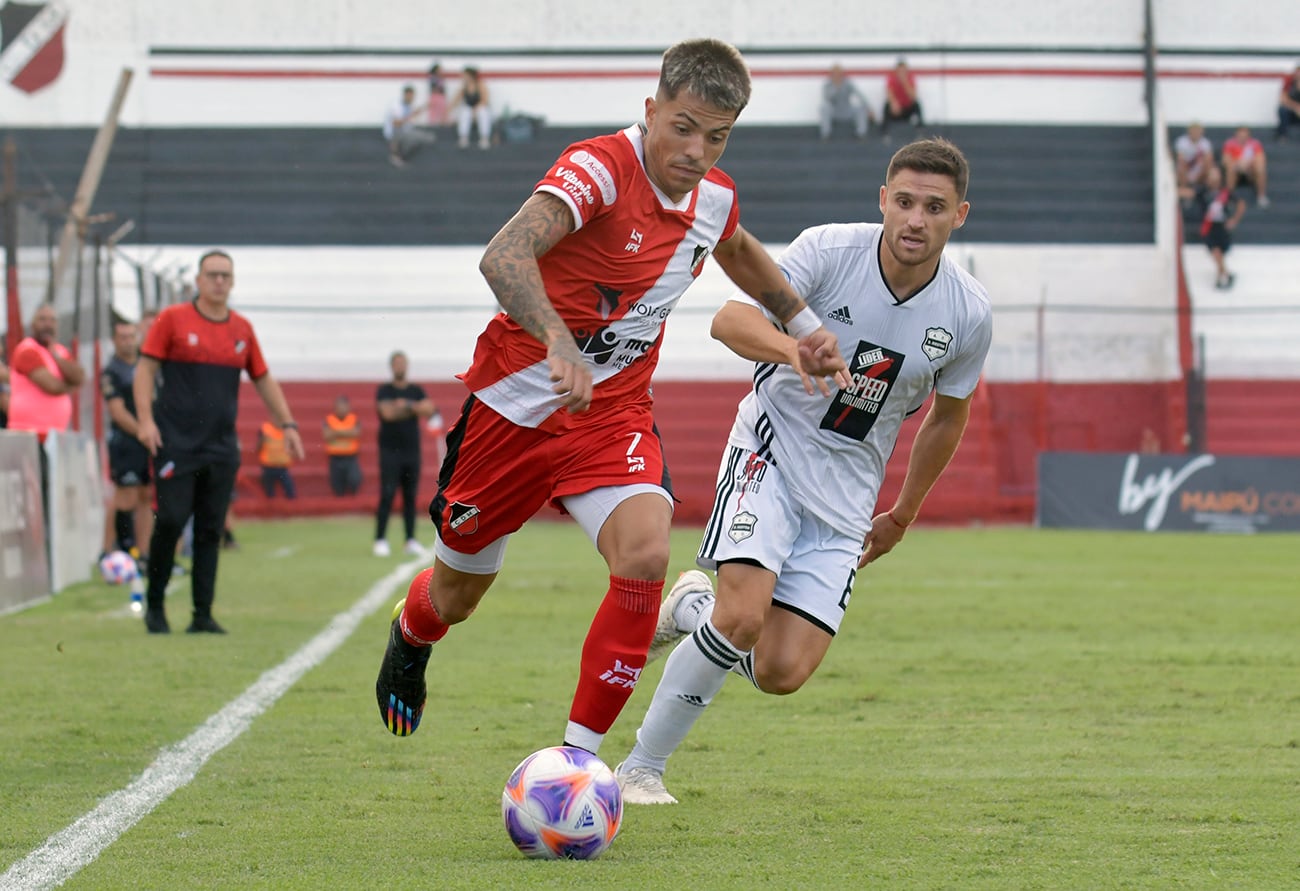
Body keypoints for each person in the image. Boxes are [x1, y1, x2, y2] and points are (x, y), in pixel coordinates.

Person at [373, 37, 848, 751]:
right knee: (455, 597)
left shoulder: (713, 198)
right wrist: (559, 342)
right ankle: (411, 635)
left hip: (609, 414)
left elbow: (738, 249)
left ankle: (577, 762)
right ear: (651, 109)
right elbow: (502, 254)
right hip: (511, 411)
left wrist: (804, 324)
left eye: (716, 137)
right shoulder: (597, 169)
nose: (695, 150)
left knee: (647, 555)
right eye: (682, 127)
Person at [614, 138, 993, 805]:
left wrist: (902, 511)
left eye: (933, 207)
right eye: (903, 201)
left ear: (958, 214)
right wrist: (794, 348)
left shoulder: (966, 312)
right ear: (883, 200)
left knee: (782, 669)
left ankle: (691, 605)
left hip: (847, 501)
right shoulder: (826, 252)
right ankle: (642, 767)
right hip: (771, 452)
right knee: (742, 617)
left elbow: (947, 417)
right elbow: (729, 320)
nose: (914, 219)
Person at [134, 250, 304, 634]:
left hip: (221, 446)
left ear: (233, 281)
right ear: (198, 280)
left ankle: (202, 614)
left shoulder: (242, 329)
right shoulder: (172, 320)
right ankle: (156, 605)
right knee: (173, 521)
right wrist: (145, 421)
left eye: (225, 275)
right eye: (212, 275)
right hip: (175, 442)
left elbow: (262, 378)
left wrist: (288, 424)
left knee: (212, 529)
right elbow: (145, 369)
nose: (219, 282)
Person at [373, 351, 435, 557]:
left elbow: (429, 409)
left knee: (410, 497)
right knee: (388, 495)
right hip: (390, 452)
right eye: (396, 363)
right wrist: (413, 409)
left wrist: (406, 405)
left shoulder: (416, 390)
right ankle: (380, 539)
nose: (400, 367)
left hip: (411, 452)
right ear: (392, 366)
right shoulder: (384, 390)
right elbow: (387, 414)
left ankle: (410, 539)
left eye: (403, 363)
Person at [101, 319, 154, 558]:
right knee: (126, 495)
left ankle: (142, 553)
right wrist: (142, 431)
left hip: (146, 440)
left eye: (131, 336)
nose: (127, 341)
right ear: (114, 340)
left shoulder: (147, 365)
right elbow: (118, 412)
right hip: (126, 441)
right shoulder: (112, 371)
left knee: (145, 495)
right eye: (122, 337)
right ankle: (119, 550)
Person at [6, 303, 84, 442]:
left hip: (55, 434)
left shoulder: (60, 351)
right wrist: (71, 386)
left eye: (52, 320)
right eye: (42, 319)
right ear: (33, 324)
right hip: (28, 433)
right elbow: (52, 387)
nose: (48, 324)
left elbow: (79, 376)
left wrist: (56, 356)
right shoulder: (27, 350)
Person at [1199, 164, 1246, 291]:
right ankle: (1225, 275)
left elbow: (1241, 204)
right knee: (1216, 251)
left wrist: (1234, 220)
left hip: (1221, 226)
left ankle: (1222, 276)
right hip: (1209, 227)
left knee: (1218, 253)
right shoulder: (1203, 192)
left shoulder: (1225, 193)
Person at [818, 63, 874, 141]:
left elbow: (859, 95)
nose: (837, 75)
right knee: (824, 107)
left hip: (846, 110)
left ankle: (861, 134)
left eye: (839, 73)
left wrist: (869, 109)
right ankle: (826, 134)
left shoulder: (847, 83)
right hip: (834, 111)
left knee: (860, 108)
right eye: (835, 73)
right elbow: (827, 98)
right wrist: (836, 88)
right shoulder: (827, 85)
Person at [383, 84, 433, 168]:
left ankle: (402, 156)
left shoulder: (409, 106)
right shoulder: (396, 105)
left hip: (406, 133)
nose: (412, 98)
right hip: (394, 133)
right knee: (401, 132)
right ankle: (396, 155)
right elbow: (397, 123)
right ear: (406, 95)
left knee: (428, 137)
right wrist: (413, 114)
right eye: (410, 96)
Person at [323, 394, 362, 496]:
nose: (341, 410)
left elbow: (356, 433)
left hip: (351, 457)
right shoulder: (329, 419)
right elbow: (326, 435)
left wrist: (336, 432)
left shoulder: (354, 418)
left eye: (344, 407)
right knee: (337, 485)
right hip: (335, 457)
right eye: (339, 407)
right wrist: (346, 432)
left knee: (355, 480)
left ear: (349, 407)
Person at [1221, 126, 1269, 207]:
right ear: (1236, 135)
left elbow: (1261, 159)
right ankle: (1230, 196)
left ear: (1248, 136)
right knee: (1230, 168)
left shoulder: (1255, 144)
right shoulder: (1230, 143)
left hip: (1250, 170)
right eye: (1240, 136)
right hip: (1236, 169)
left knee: (1260, 168)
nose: (1242, 138)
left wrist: (1248, 164)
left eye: (1244, 136)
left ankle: (1261, 196)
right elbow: (1225, 160)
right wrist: (1238, 163)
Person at [880, 58, 924, 141]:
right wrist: (893, 103)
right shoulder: (891, 79)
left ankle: (920, 131)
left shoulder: (910, 79)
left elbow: (913, 96)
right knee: (886, 106)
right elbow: (889, 92)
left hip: (907, 109)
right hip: (896, 109)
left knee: (917, 105)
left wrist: (904, 82)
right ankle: (885, 133)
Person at [451, 66, 493, 150]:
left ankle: (484, 138)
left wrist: (475, 110)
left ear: (470, 75)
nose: (463, 77)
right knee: (465, 111)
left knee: (482, 112)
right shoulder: (464, 87)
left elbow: (485, 100)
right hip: (470, 110)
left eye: (465, 75)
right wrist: (447, 113)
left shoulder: (480, 85)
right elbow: (456, 100)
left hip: (480, 108)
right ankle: (464, 137)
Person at [256, 419, 298, 499]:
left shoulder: (288, 429)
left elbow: (294, 447)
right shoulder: (265, 428)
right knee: (269, 491)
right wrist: (262, 439)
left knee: (290, 491)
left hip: (282, 465)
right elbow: (257, 447)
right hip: (268, 465)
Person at [1174, 122, 1215, 196]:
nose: (1195, 133)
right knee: (1180, 166)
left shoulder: (1205, 143)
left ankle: (1210, 194)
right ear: (1189, 131)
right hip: (1186, 169)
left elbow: (1209, 159)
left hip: (1200, 171)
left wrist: (1199, 173)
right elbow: (1180, 159)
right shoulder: (1182, 142)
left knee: (1214, 174)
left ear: (1201, 132)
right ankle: (1184, 188)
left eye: (1198, 131)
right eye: (1193, 130)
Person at [1276, 64, 1300, 141]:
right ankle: (1283, 135)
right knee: (1282, 110)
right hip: (1293, 112)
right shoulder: (1289, 82)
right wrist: (1296, 107)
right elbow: (1283, 99)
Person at [427, 61, 449, 127]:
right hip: (435, 97)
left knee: (443, 113)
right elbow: (434, 89)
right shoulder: (433, 78)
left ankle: (443, 124)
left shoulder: (441, 78)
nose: (441, 71)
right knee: (434, 114)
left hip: (441, 97)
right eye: (439, 69)